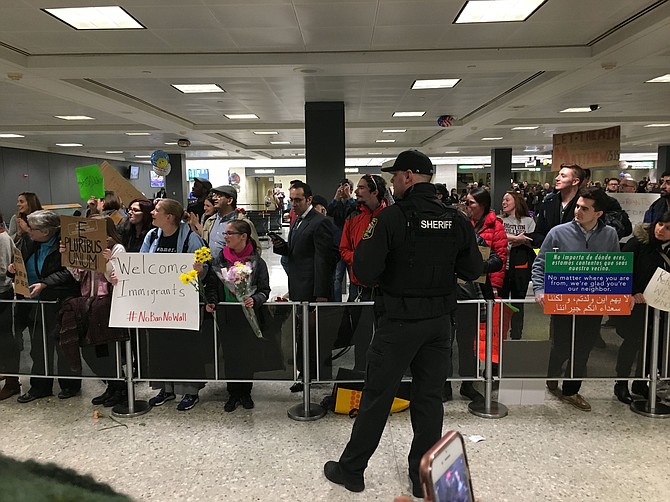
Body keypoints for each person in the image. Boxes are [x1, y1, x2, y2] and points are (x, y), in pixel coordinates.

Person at [323, 150, 483, 498]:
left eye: (395, 176)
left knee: (378, 396)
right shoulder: (456, 220)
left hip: (397, 323)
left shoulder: (391, 218)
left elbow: (364, 272)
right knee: (429, 400)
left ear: (409, 176)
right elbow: (473, 270)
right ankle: (421, 477)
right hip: (440, 324)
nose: (393, 182)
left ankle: (352, 470)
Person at [532, 187, 620, 411]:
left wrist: (616, 297)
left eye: (585, 208)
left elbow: (615, 268)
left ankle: (571, 390)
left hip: (593, 302)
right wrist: (539, 290)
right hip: (563, 299)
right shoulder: (558, 233)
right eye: (578, 206)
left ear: (598, 213)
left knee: (583, 347)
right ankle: (552, 374)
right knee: (561, 344)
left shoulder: (609, 234)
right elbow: (541, 264)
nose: (578, 211)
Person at [141, 199, 207, 411]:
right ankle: (165, 388)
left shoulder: (191, 239)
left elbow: (205, 269)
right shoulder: (151, 237)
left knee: (185, 347)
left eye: (157, 210)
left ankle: (190, 391)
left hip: (183, 304)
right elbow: (141, 264)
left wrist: (200, 271)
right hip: (158, 304)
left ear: (169, 217)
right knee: (160, 346)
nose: (152, 213)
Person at [10, 210, 82, 403]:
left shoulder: (65, 244)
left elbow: (69, 272)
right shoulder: (30, 242)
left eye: (33, 229)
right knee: (38, 347)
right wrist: (13, 271)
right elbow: (21, 263)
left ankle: (70, 384)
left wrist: (46, 283)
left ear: (46, 232)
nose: (28, 231)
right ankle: (40, 386)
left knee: (62, 345)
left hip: (57, 300)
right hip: (34, 303)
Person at [271, 181, 338, 391]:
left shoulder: (320, 222)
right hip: (299, 287)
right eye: (291, 200)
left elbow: (323, 260)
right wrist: (283, 248)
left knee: (314, 337)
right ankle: (305, 374)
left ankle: (316, 375)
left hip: (312, 291)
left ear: (309, 199)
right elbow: (300, 252)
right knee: (303, 336)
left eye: (298, 200)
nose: (293, 204)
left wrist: (320, 294)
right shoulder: (298, 221)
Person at [61, 216, 127, 407]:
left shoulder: (117, 249)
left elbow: (117, 277)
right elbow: (77, 276)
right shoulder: (87, 246)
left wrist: (106, 261)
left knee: (108, 349)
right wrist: (68, 258)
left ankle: (119, 387)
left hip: (108, 303)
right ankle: (111, 386)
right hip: (88, 303)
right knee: (93, 351)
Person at [205, 219, 270, 412]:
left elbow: (265, 290)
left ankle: (246, 392)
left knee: (247, 355)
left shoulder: (257, 262)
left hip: (249, 316)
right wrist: (212, 301)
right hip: (226, 315)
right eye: (225, 233)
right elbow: (212, 286)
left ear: (243, 236)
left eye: (230, 233)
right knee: (231, 355)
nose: (225, 237)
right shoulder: (219, 260)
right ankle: (233, 392)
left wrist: (255, 300)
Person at [453, 187, 507, 401]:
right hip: (447, 298)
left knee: (467, 345)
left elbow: (497, 260)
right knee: (444, 345)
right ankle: (443, 387)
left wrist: (474, 267)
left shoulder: (476, 239)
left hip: (471, 299)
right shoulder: (442, 242)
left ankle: (467, 384)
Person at [613, 213, 670, 403]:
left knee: (654, 346)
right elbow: (622, 268)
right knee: (632, 342)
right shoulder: (638, 242)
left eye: (668, 228)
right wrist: (633, 291)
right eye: (660, 224)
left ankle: (641, 382)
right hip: (637, 305)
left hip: (662, 308)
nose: (661, 230)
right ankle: (621, 383)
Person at [500, 191, 536, 340]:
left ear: (517, 201)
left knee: (518, 304)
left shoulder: (528, 221)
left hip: (520, 267)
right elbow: (497, 236)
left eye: (507, 199)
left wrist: (523, 240)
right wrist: (515, 238)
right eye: (503, 200)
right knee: (500, 304)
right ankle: (500, 335)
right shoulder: (499, 220)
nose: (504, 202)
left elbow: (533, 239)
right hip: (501, 268)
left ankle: (516, 336)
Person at [530, 164, 586, 247]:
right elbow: (539, 232)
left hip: (576, 254)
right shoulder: (548, 203)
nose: (557, 178)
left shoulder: (586, 204)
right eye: (558, 175)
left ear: (575, 181)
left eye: (563, 176)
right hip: (551, 253)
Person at [0, 212, 20, 400]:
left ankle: (12, 381)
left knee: (6, 339)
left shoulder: (2, 239)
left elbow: (3, 270)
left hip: (2, 293)